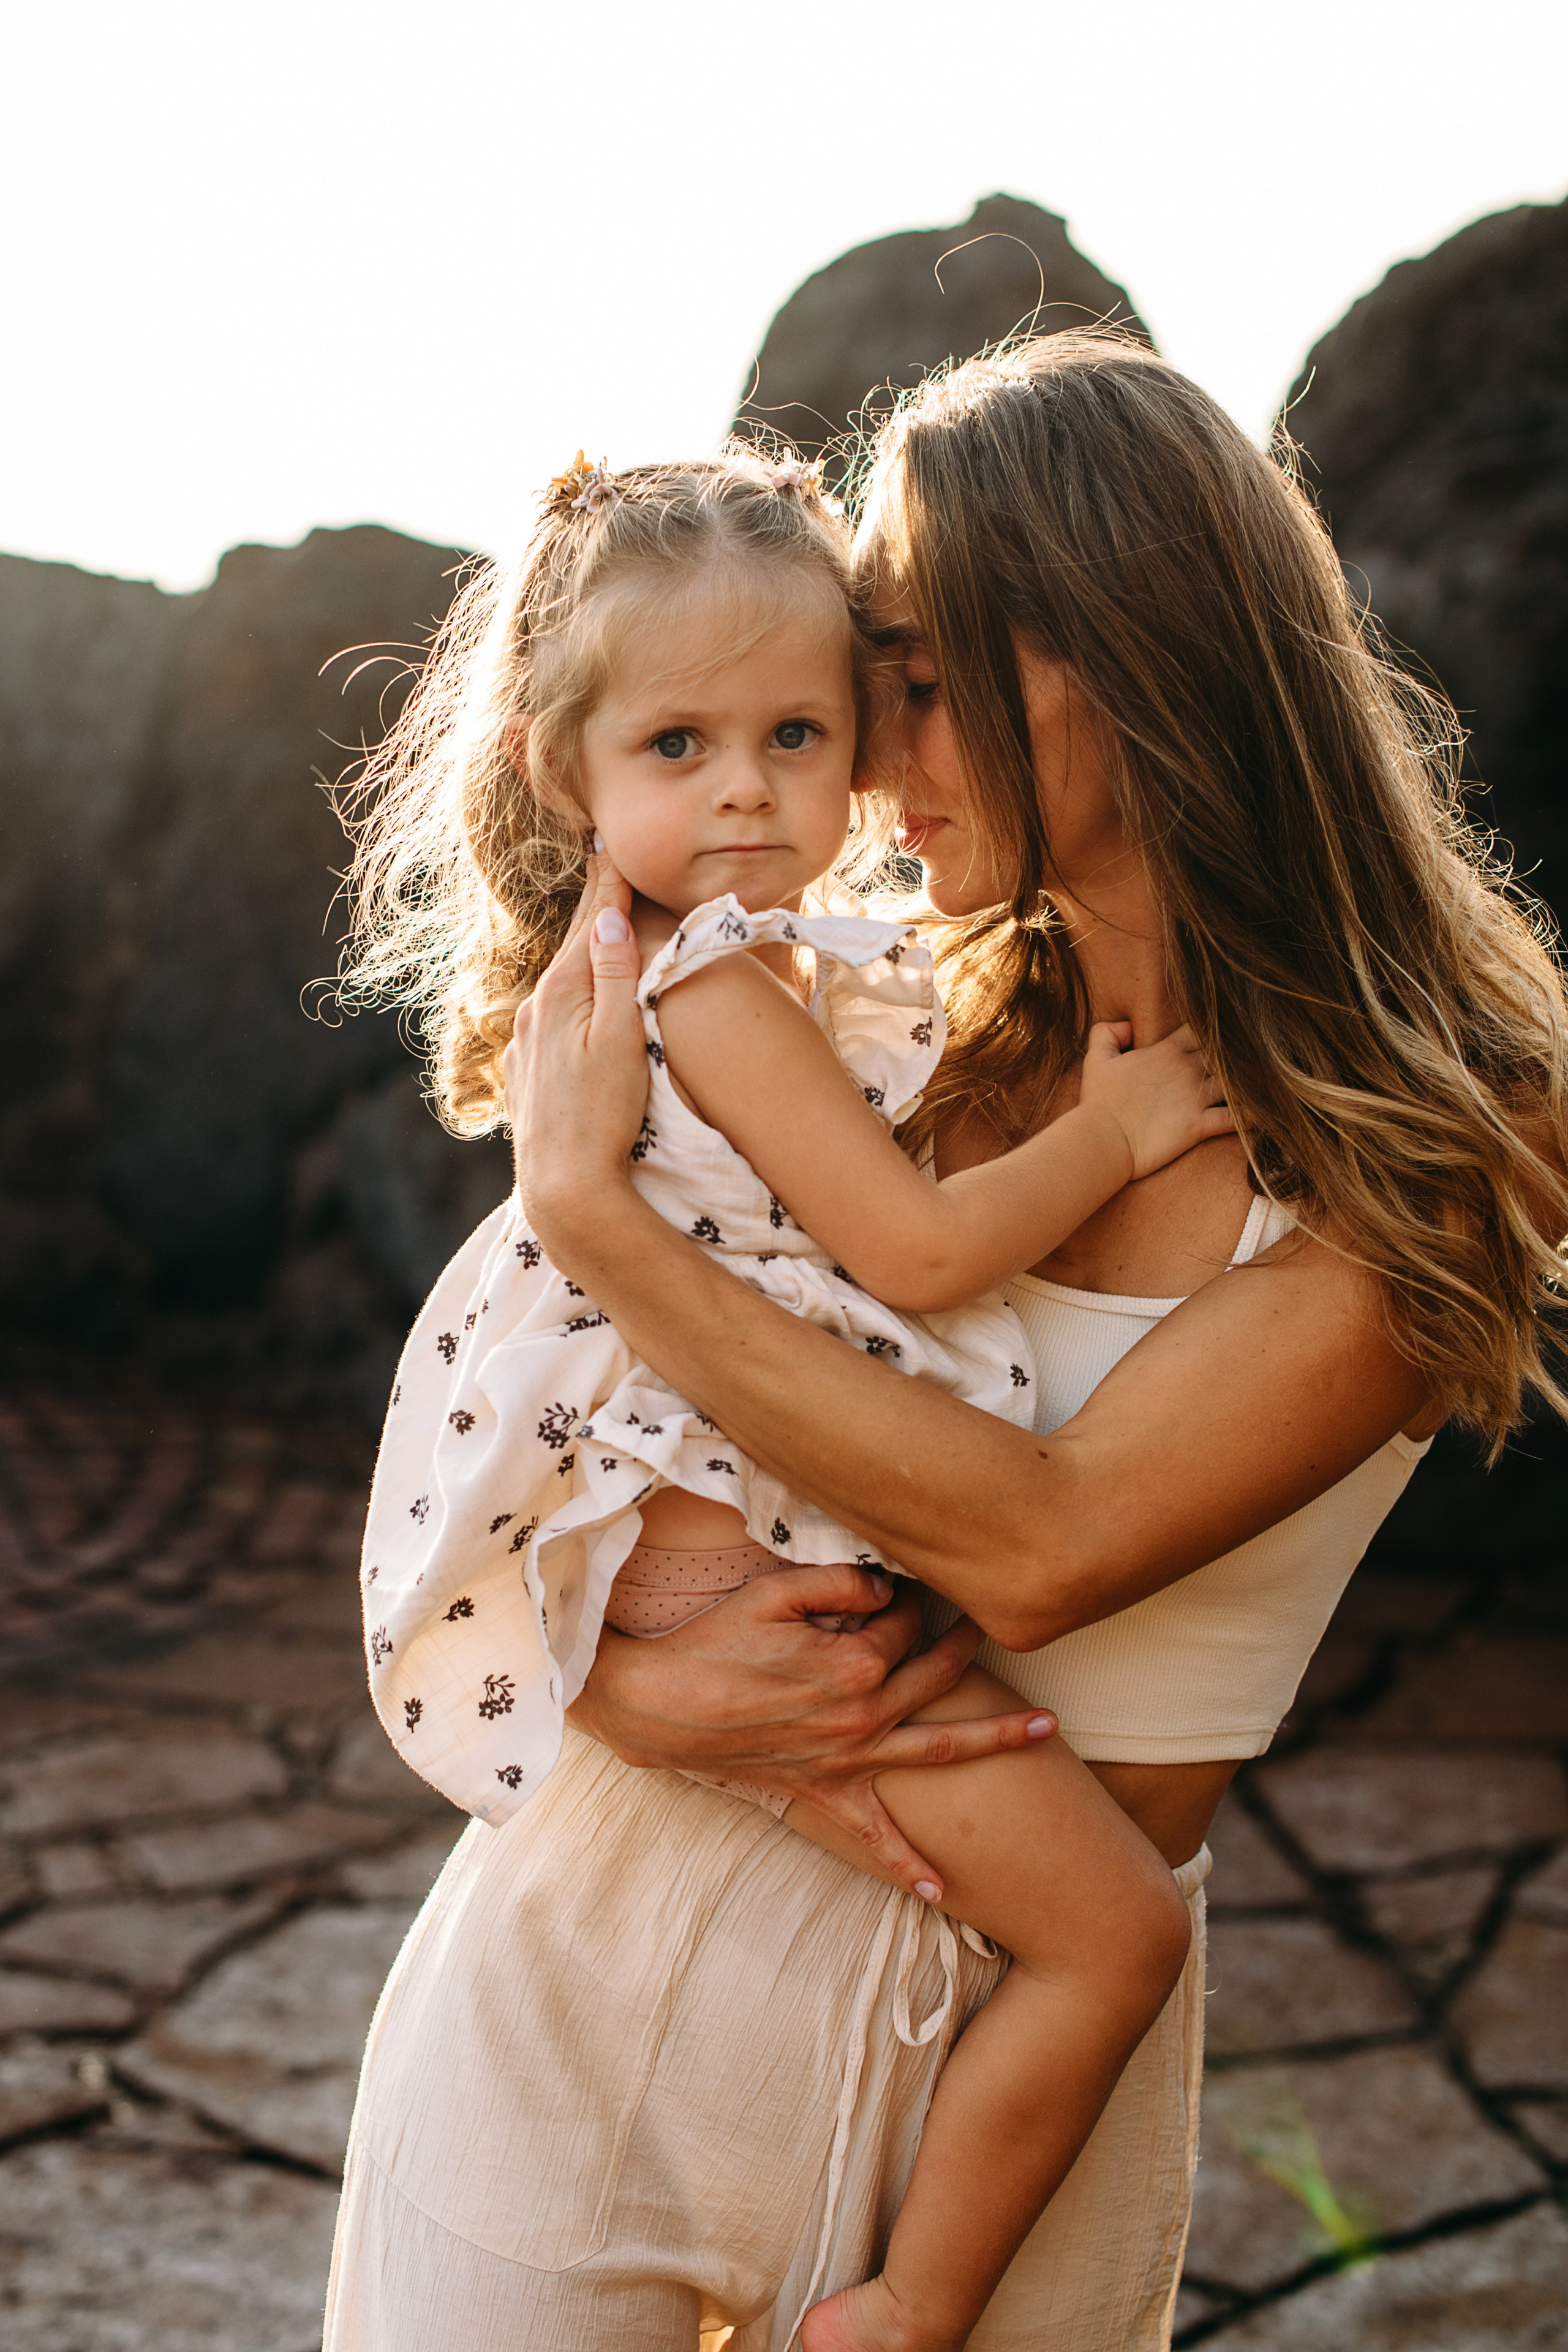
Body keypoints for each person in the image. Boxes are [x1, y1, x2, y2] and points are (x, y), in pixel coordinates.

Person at [325, 336, 1568, 2352]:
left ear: (1104, 653)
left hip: (1022, 2084)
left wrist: (596, 1224)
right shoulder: (910, 1027)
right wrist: (632, 1680)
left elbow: (1044, 1542)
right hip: (599, 1986)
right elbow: (617, 1449)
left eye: (903, 675)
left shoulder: (1464, 1122)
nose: (867, 766)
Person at [342, 443, 1235, 2352]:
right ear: (557, 770)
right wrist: (1122, 1127)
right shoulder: (720, 985)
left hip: (676, 1534)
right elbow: (913, 1255)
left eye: (802, 734)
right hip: (741, 1541)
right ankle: (910, 2306)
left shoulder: (675, 973)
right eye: (681, 747)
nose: (751, 791)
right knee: (1116, 1938)